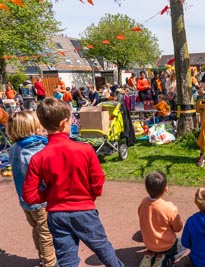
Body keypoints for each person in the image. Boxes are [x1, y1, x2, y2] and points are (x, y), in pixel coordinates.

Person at [22, 98, 124, 267]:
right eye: (71, 120)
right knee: (103, 250)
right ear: (64, 123)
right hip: (84, 210)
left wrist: (51, 195)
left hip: (57, 214)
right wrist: (91, 194)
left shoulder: (38, 158)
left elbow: (29, 195)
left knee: (67, 260)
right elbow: (98, 180)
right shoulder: (85, 150)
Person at [7, 111, 57, 267]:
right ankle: (51, 262)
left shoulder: (14, 147)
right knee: (47, 233)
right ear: (31, 128)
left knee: (37, 229)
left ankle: (43, 257)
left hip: (25, 200)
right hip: (40, 199)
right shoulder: (35, 148)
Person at [138, 171, 186, 267]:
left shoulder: (143, 203)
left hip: (149, 243)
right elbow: (178, 228)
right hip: (166, 245)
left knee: (152, 242)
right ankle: (166, 260)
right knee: (184, 244)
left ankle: (150, 255)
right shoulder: (169, 208)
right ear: (165, 189)